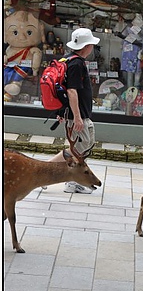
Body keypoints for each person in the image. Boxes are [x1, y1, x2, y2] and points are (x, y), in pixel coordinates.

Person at [47, 28, 100, 194]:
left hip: (75, 113)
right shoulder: (76, 64)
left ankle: (72, 179)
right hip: (78, 115)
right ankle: (47, 173)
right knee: (78, 148)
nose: (92, 47)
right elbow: (71, 91)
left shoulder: (68, 59)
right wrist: (76, 117)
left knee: (82, 147)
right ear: (86, 46)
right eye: (91, 44)